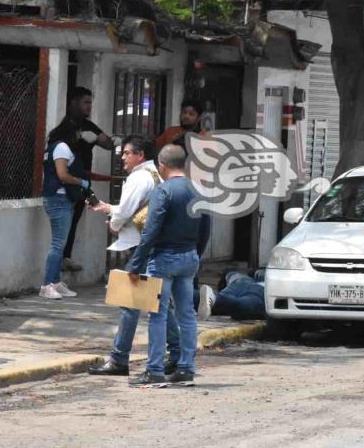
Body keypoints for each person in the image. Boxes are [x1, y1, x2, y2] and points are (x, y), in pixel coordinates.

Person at [87, 135, 181, 376]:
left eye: (127, 153)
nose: (123, 157)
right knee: (157, 303)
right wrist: (110, 210)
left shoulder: (139, 178)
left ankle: (120, 359)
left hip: (142, 247)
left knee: (133, 302)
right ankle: (177, 352)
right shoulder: (155, 174)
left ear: (140, 155)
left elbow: (124, 212)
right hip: (153, 245)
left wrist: (113, 220)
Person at [128, 145, 211, 385]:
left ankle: (154, 370)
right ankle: (186, 368)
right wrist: (197, 254)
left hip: (163, 259)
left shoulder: (163, 191)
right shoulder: (198, 190)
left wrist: (136, 263)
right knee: (187, 314)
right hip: (189, 258)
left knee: (158, 315)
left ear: (162, 166)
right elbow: (206, 228)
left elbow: (151, 231)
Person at [62, 87, 116, 273]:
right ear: (74, 102)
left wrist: (109, 140)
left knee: (75, 218)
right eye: (86, 102)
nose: (89, 106)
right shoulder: (65, 124)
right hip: (66, 179)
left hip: (83, 181)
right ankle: (59, 258)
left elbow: (107, 143)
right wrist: (78, 138)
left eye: (90, 102)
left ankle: (66, 257)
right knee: (64, 219)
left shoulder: (88, 125)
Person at [39, 118, 90, 299]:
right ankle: (47, 285)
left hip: (57, 198)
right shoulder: (61, 148)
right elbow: (62, 174)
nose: (80, 136)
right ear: (72, 132)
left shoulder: (53, 147)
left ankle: (55, 282)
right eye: (78, 132)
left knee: (59, 243)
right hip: (59, 198)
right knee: (58, 244)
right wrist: (80, 182)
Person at [197, 269, 266, 321]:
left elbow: (230, 273)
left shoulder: (237, 276)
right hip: (263, 288)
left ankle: (212, 298)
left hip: (240, 282)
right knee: (244, 306)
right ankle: (214, 299)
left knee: (208, 302)